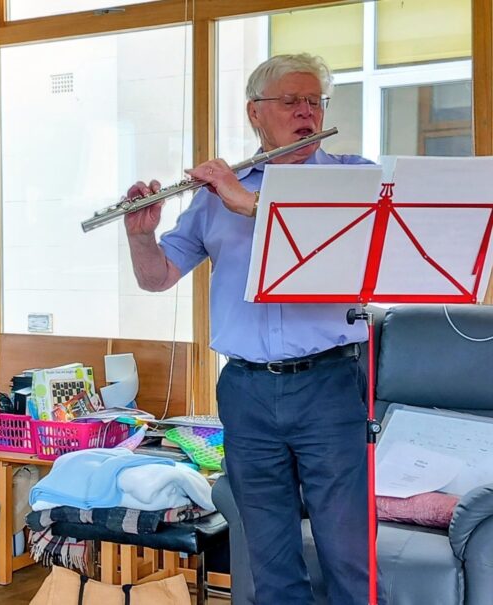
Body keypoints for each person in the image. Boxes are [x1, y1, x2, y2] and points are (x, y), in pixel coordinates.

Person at [122, 53, 380, 604]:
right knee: (268, 556)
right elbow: (158, 278)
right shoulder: (218, 194)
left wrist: (248, 204)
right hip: (246, 388)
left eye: (315, 101)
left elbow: (328, 258)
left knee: (347, 550)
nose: (306, 112)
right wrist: (141, 235)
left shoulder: (351, 178)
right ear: (254, 114)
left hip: (329, 383)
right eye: (291, 101)